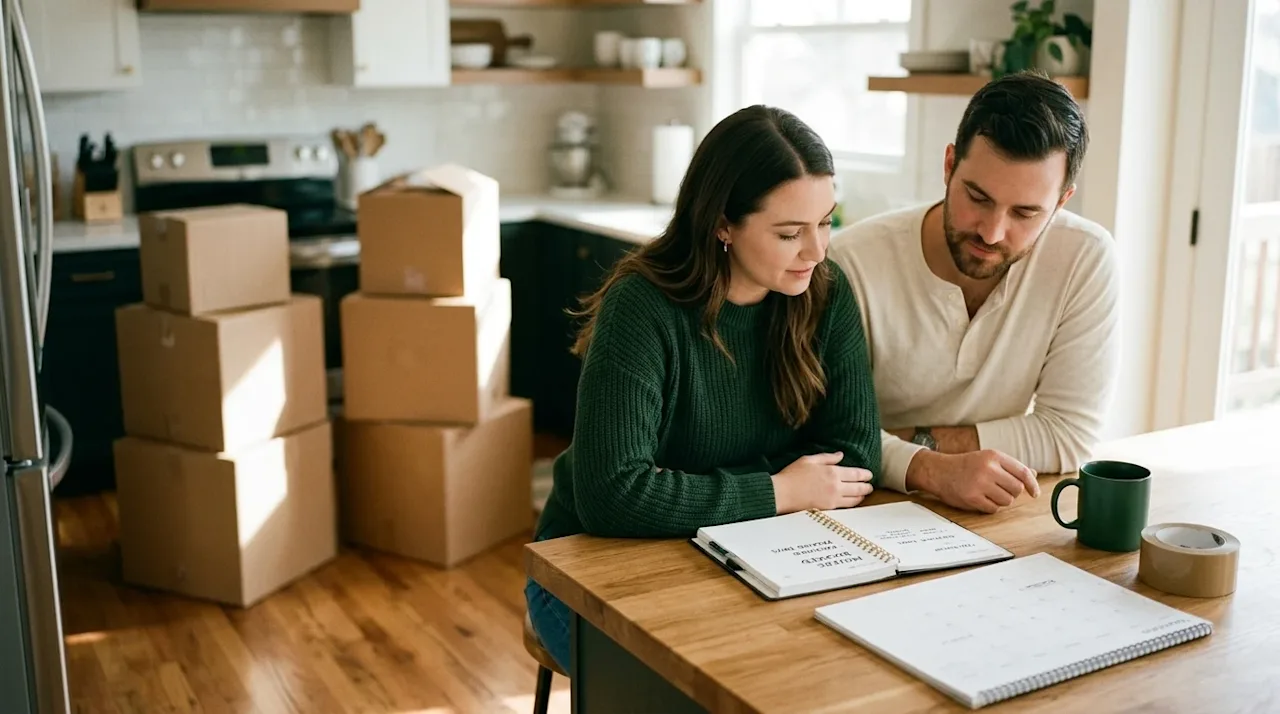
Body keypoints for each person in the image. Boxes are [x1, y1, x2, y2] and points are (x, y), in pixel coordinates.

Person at [525, 105, 883, 670]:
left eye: (826, 222)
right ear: (723, 223)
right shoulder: (641, 307)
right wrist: (779, 489)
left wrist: (681, 494)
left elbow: (856, 457)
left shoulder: (826, 295)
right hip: (592, 569)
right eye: (790, 232)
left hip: (752, 557)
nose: (816, 251)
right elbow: (612, 496)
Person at [828, 70, 1121, 515]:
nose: (992, 231)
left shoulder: (1085, 257)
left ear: (1062, 201)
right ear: (949, 165)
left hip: (995, 513)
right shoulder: (851, 263)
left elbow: (1069, 436)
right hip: (858, 511)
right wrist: (930, 469)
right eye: (978, 197)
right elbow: (826, 435)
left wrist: (906, 445)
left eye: (1025, 212)